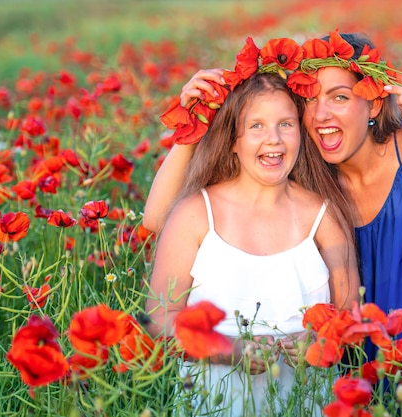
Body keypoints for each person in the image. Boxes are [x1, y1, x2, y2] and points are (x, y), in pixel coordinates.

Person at [144, 31, 402, 356]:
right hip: (383, 362)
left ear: (374, 105)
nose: (322, 114)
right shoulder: (310, 183)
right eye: (310, 101)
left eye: (341, 97)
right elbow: (160, 221)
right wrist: (190, 130)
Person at [145, 72, 360, 415]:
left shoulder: (324, 215)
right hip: (214, 399)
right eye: (256, 126)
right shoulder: (197, 214)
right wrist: (227, 350)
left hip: (307, 400)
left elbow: (350, 312)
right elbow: (160, 317)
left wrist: (321, 341)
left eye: (286, 124)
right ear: (231, 139)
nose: (273, 139)